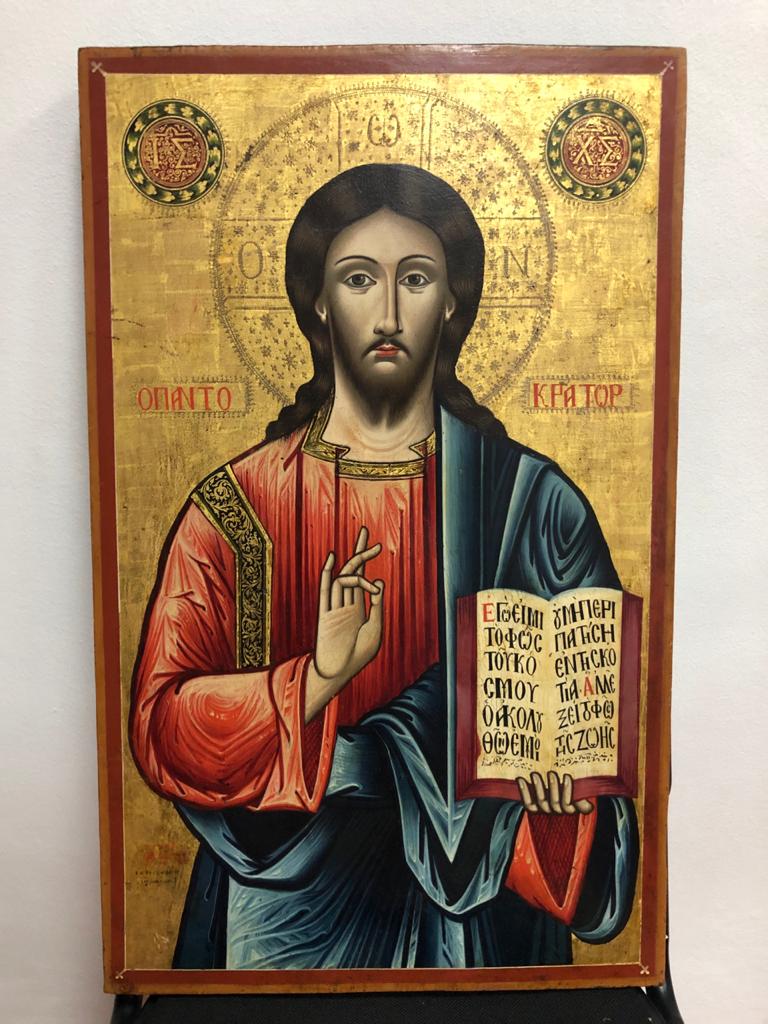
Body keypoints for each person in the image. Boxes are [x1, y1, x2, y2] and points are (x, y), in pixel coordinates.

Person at [130, 163, 638, 971]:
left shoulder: (532, 505)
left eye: (417, 279)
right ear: (320, 301)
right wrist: (317, 679)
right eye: (360, 279)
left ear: (453, 302)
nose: (390, 312)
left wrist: (565, 786)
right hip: (283, 918)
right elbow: (162, 725)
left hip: (474, 921)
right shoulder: (237, 509)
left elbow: (593, 728)